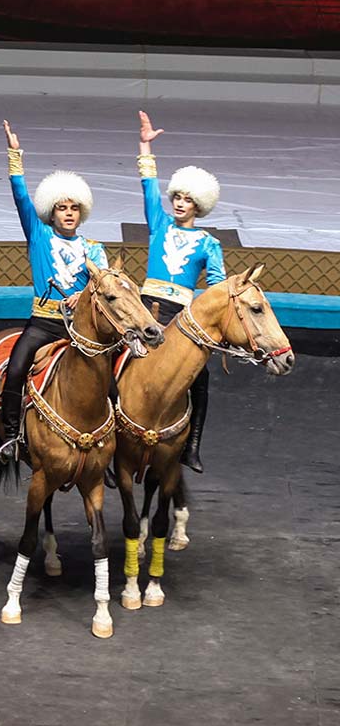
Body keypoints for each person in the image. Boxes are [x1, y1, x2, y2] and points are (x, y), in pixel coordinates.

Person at [0, 120, 108, 463]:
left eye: (74, 209)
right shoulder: (39, 235)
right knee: (15, 368)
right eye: (62, 208)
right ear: (52, 212)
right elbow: (19, 198)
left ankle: (107, 440)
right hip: (43, 324)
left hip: (80, 329)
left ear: (82, 212)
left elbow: (104, 282)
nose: (69, 214)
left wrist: (85, 293)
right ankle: (13, 436)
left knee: (113, 379)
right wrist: (15, 157)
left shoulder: (95, 248)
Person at [135, 110, 226, 472]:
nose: (179, 203)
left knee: (199, 377)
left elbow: (218, 288)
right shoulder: (158, 224)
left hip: (181, 315)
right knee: (112, 361)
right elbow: (147, 185)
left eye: (187, 200)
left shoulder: (209, 243)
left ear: (198, 206)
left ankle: (192, 445)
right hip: (145, 308)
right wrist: (145, 146)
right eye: (177, 197)